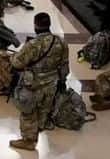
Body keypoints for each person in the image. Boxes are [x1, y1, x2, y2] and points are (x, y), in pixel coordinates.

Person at [9, 11, 68, 151]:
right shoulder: (60, 42)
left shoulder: (33, 45)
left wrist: (13, 57)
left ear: (35, 25)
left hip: (33, 84)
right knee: (43, 110)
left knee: (28, 111)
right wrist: (62, 81)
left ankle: (29, 140)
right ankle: (37, 131)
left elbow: (17, 63)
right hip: (52, 83)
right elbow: (64, 66)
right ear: (49, 25)